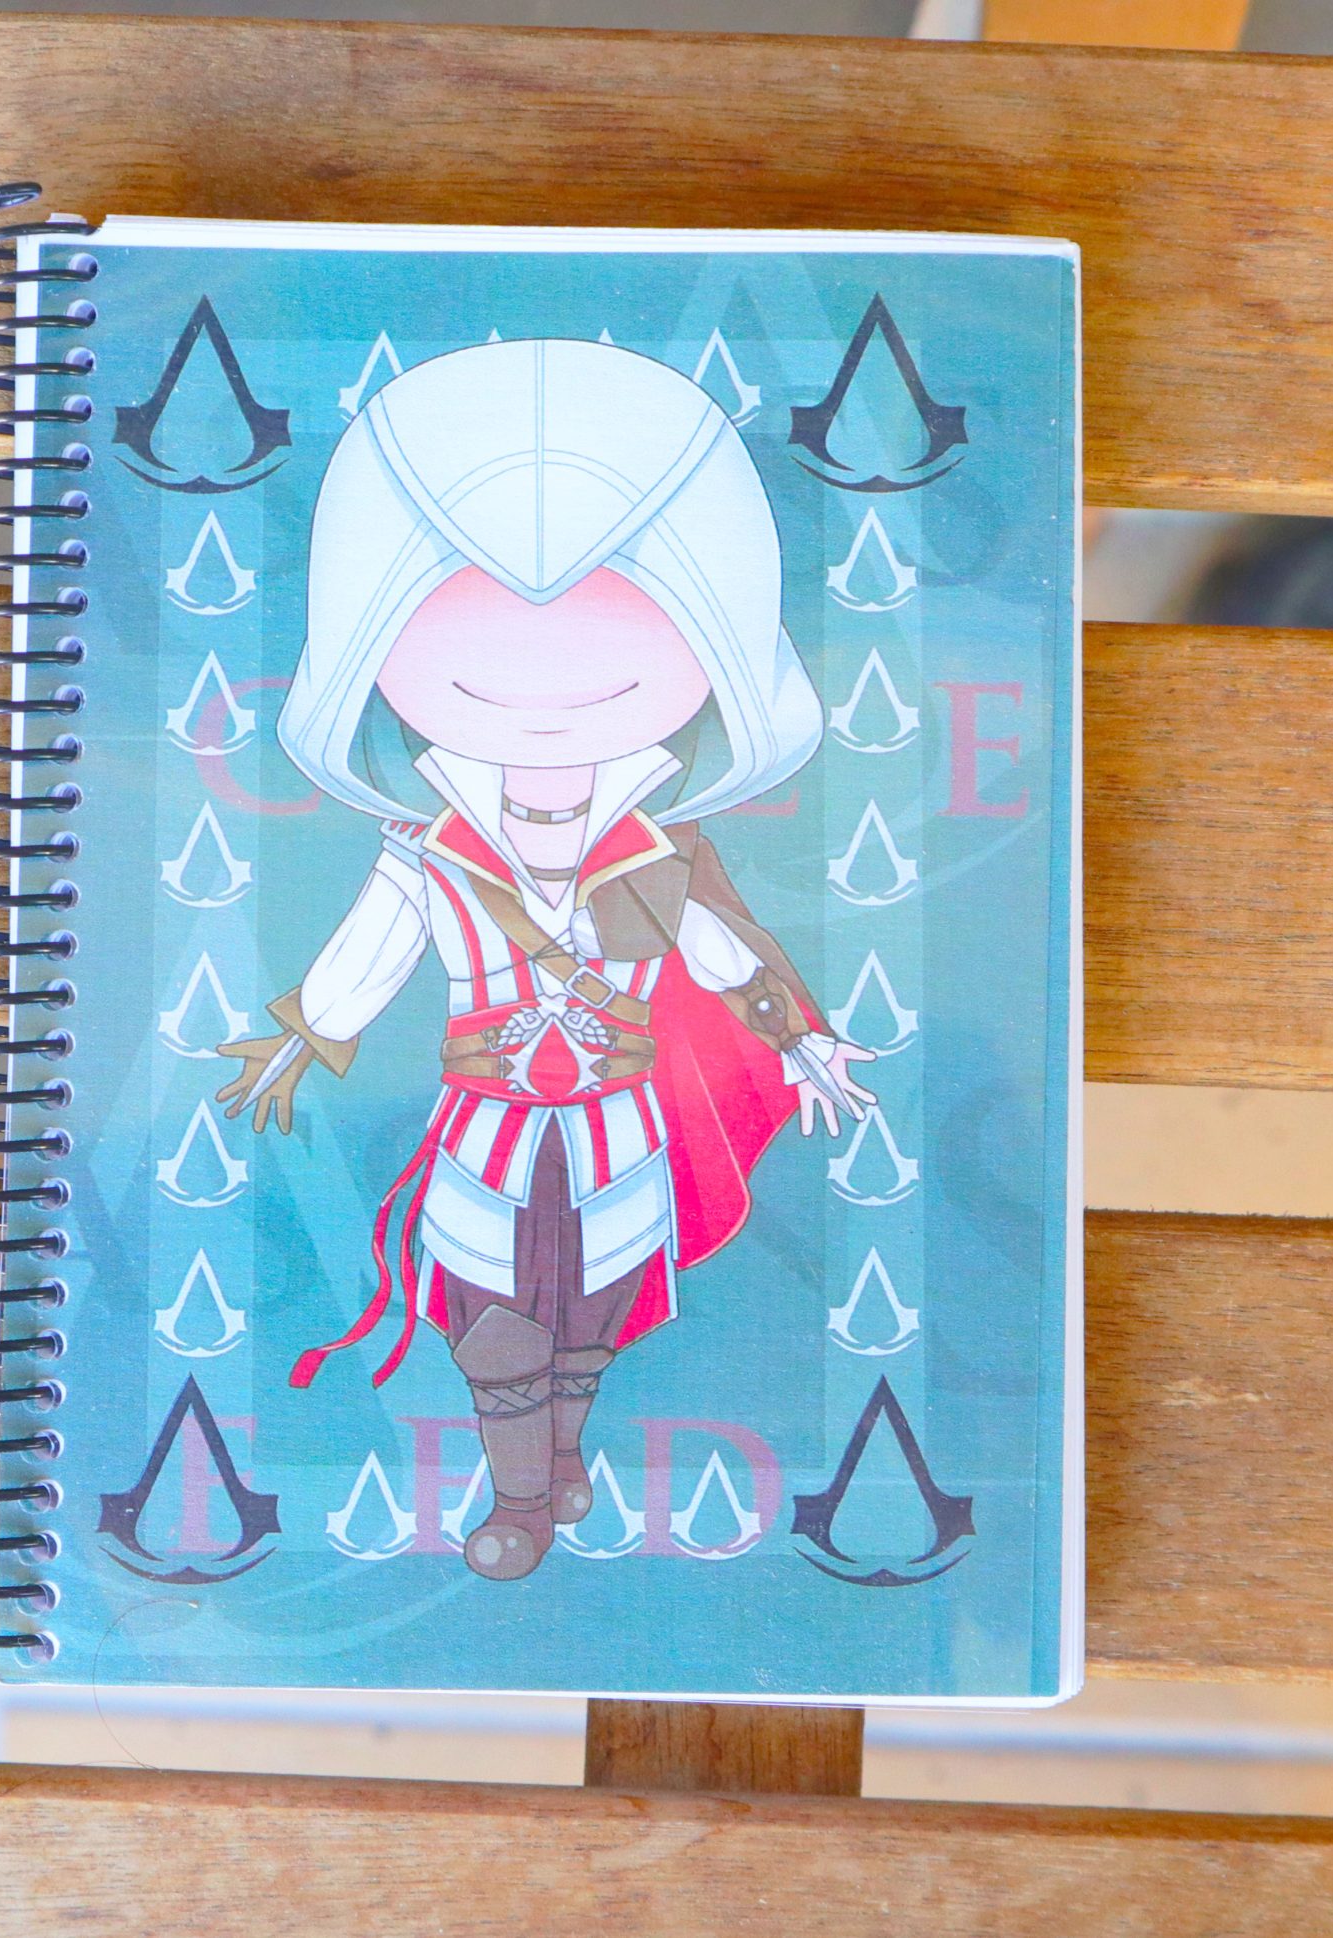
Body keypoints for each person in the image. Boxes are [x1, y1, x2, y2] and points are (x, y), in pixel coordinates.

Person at [218, 338, 874, 1581]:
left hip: (620, 1128)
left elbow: (720, 956)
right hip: (486, 1129)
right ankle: (518, 1502)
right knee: (496, 1331)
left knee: (586, 1320)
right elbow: (371, 950)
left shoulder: (653, 850)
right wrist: (302, 1035)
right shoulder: (427, 850)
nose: (543, 682)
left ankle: (562, 1456)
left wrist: (801, 1040)